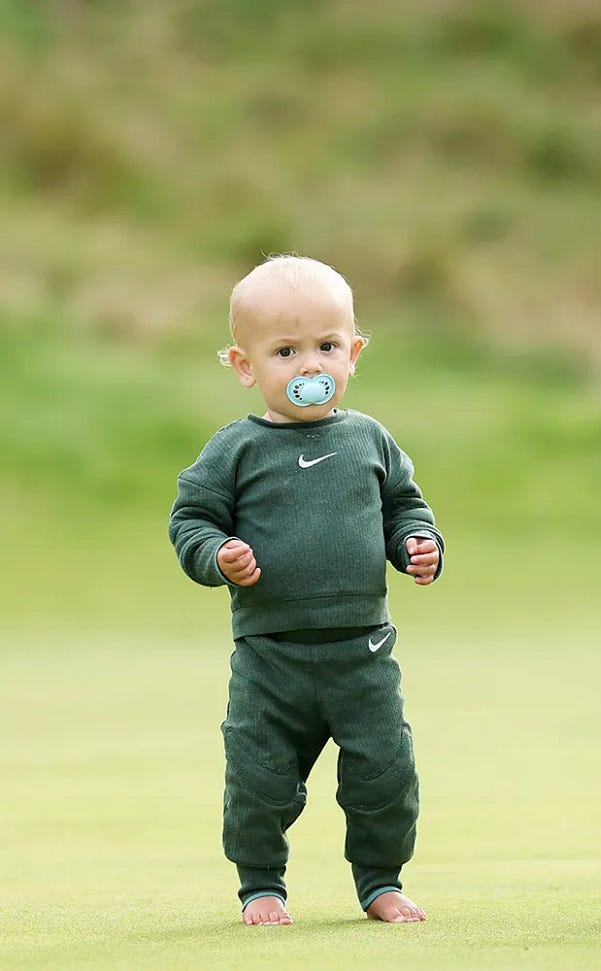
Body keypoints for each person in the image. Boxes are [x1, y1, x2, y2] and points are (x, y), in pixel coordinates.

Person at [169, 255, 443, 926]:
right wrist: (217, 553)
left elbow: (404, 507)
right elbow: (192, 520)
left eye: (326, 346)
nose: (309, 366)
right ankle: (261, 883)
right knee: (258, 777)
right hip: (271, 658)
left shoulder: (369, 440)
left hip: (363, 652)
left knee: (385, 774)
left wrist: (415, 543)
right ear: (244, 365)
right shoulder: (236, 449)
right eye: (285, 351)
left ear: (353, 351)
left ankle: (380, 879)